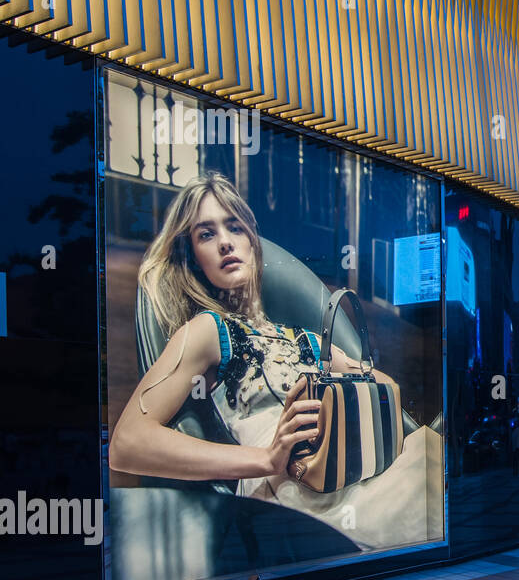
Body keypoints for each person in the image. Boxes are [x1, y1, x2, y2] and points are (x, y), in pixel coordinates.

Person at [107, 172, 432, 551]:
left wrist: (343, 400)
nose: (226, 242)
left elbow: (385, 386)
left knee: (432, 452)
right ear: (193, 258)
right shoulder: (207, 330)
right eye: (206, 234)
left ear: (253, 241)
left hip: (349, 468)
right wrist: (265, 458)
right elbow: (127, 443)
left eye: (234, 227)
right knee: (435, 484)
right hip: (291, 488)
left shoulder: (309, 340)